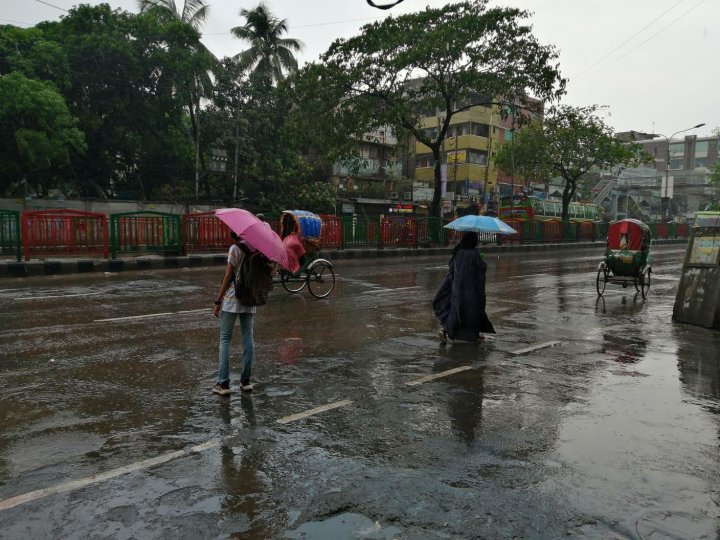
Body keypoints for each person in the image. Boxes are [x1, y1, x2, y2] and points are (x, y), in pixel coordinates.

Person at [212, 231, 256, 395]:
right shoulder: (256, 248)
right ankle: (246, 382)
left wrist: (218, 301)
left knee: (225, 339)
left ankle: (223, 384)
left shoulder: (235, 248)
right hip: (250, 299)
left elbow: (228, 276)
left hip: (232, 300)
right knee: (248, 338)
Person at [432, 231, 495, 343]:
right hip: (472, 291)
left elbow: (451, 271)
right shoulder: (474, 254)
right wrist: (482, 260)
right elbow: (481, 270)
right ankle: (474, 334)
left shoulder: (458, 252)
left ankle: (445, 329)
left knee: (457, 313)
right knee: (474, 313)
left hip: (458, 289)